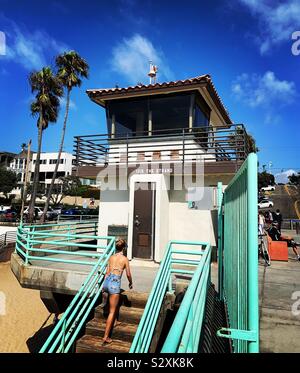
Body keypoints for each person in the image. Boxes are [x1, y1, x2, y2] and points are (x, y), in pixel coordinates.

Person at [101, 239, 132, 345]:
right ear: (123, 248)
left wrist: (104, 286)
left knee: (111, 306)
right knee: (112, 311)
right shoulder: (124, 259)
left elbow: (107, 272)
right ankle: (106, 337)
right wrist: (131, 283)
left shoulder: (111, 257)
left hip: (107, 281)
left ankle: (115, 321)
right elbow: (128, 274)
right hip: (114, 283)